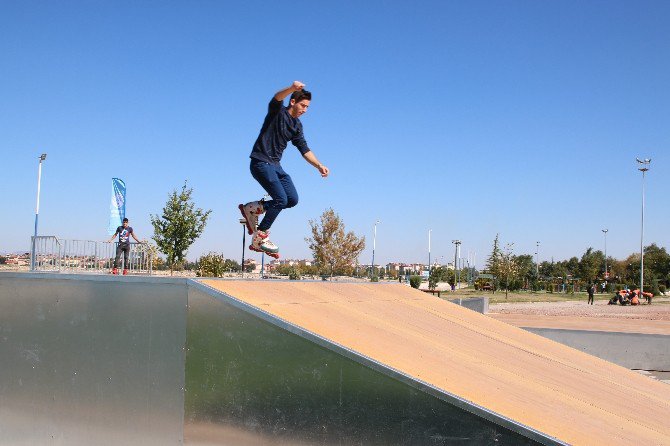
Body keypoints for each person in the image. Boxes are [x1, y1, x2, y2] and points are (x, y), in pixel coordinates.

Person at [239, 81, 329, 259]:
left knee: (292, 199)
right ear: (293, 102)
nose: (305, 110)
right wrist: (291, 89)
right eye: (303, 105)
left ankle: (254, 208)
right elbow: (277, 98)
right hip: (260, 162)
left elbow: (304, 149)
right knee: (280, 199)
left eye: (308, 107)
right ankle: (260, 236)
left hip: (275, 166)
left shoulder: (297, 126)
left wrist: (319, 165)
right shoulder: (277, 112)